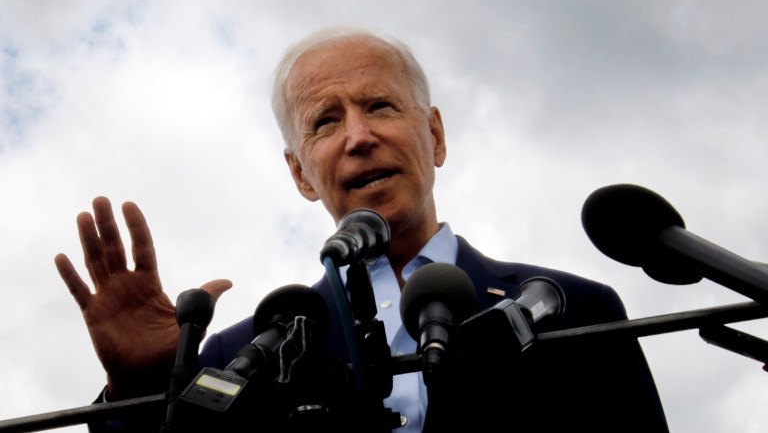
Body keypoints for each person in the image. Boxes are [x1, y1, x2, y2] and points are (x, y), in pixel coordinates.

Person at [55, 26, 669, 432]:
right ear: (300, 173)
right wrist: (137, 391)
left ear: (435, 136)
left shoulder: (573, 309)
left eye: (379, 106)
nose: (358, 137)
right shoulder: (235, 357)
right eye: (326, 121)